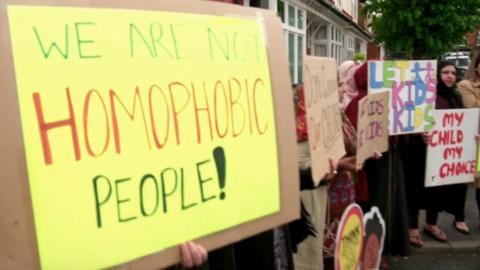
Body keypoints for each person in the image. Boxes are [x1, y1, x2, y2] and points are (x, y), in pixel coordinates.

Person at [405, 61, 470, 247]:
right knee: (416, 189)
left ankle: (431, 225)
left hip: (442, 154)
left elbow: (462, 121)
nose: (450, 76)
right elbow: (409, 118)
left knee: (437, 189)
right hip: (420, 152)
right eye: (445, 72)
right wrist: (419, 132)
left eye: (453, 72)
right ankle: (413, 228)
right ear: (436, 75)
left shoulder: (455, 96)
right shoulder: (424, 96)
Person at [457, 52, 480, 230]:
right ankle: (459, 218)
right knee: (470, 181)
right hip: (474, 140)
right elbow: (472, 108)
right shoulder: (466, 85)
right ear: (476, 66)